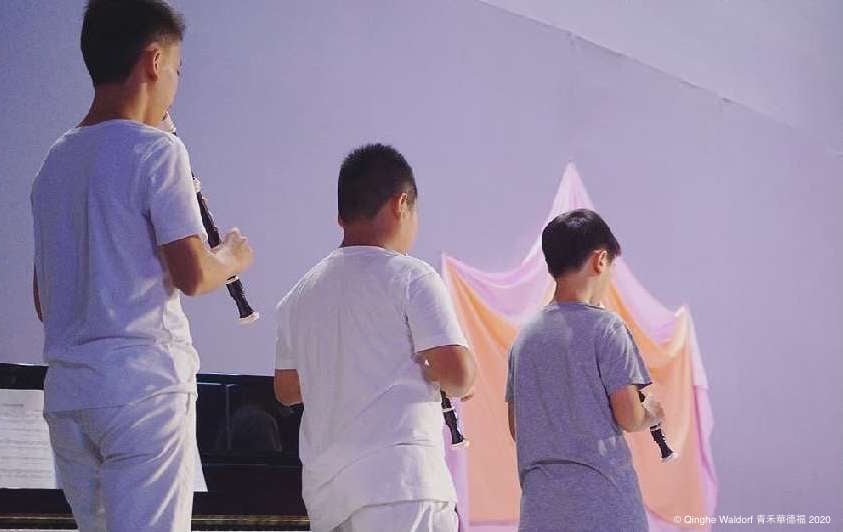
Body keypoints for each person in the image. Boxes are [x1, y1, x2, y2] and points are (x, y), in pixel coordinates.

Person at [30, 1, 253, 530]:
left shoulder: (53, 164)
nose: (174, 85)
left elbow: (44, 301)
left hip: (70, 397)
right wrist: (231, 256)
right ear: (154, 62)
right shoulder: (157, 151)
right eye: (177, 70)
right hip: (143, 390)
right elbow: (193, 274)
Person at [274, 143, 477, 532]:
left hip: (329, 495)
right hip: (401, 485)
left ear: (341, 216)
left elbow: (286, 390)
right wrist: (436, 372)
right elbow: (460, 376)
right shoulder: (411, 276)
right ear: (401, 203)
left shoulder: (298, 296)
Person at [505, 209, 664, 532]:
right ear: (600, 260)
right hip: (605, 506)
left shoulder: (525, 338)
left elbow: (517, 427)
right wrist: (652, 413)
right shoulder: (607, 328)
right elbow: (629, 416)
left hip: (540, 511)